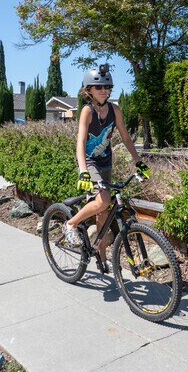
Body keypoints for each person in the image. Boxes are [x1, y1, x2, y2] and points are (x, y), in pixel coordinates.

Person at [62, 64, 150, 270]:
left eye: (106, 87)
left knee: (103, 212)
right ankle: (71, 224)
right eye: (98, 87)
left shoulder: (115, 110)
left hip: (105, 161)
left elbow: (126, 138)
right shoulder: (87, 111)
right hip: (89, 162)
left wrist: (138, 161)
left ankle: (101, 256)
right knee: (103, 200)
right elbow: (80, 142)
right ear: (88, 90)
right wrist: (83, 170)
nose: (103, 90)